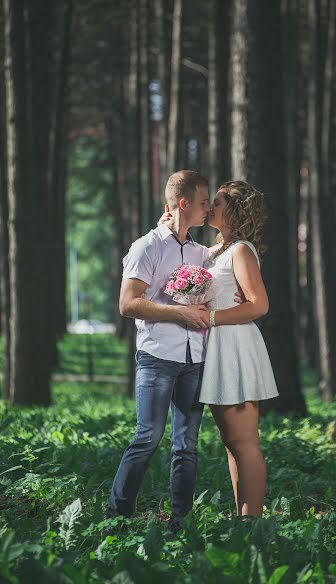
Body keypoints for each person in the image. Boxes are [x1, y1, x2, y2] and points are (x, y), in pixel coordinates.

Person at [107, 170, 240, 533]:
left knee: (186, 446)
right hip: (156, 358)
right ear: (183, 204)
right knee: (147, 437)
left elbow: (227, 257)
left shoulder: (200, 253)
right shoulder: (146, 247)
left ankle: (181, 524)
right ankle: (117, 517)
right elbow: (127, 304)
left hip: (194, 362)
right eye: (202, 203)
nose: (207, 209)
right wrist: (179, 312)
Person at [160, 180, 279, 517]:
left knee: (244, 444)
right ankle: (244, 519)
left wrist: (211, 316)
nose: (210, 207)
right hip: (216, 347)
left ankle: (253, 522)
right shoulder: (216, 250)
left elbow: (259, 305)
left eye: (218, 203)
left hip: (235, 347)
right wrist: (166, 224)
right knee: (232, 444)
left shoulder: (240, 250)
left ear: (234, 211)